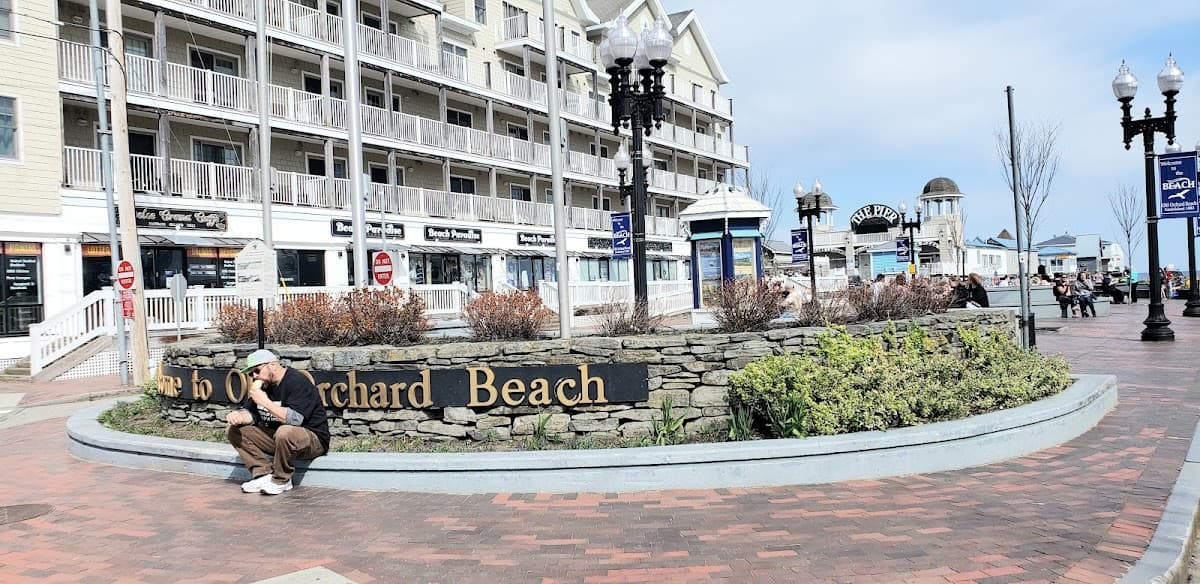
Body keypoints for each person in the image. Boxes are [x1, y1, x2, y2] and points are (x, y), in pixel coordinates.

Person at [226, 349, 330, 495]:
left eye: (257, 370)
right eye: (250, 374)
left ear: (273, 365)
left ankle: (282, 480)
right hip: (279, 439)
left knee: (285, 431)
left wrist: (265, 402)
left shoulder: (297, 381)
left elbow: (295, 419)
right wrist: (239, 416)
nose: (254, 377)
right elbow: (251, 413)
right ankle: (263, 474)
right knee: (234, 430)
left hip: (312, 440)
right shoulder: (264, 385)